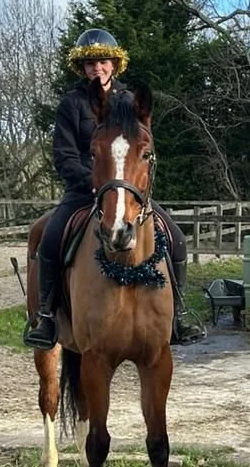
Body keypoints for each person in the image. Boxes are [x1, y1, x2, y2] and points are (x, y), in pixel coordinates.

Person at [23, 27, 198, 348]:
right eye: (90, 63)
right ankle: (46, 317)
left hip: (129, 193)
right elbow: (63, 156)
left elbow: (142, 148)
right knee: (48, 238)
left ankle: (179, 315)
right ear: (82, 68)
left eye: (103, 61)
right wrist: (96, 186)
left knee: (176, 237)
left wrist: (126, 187)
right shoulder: (71, 104)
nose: (97, 68)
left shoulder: (131, 102)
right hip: (83, 192)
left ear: (114, 64)